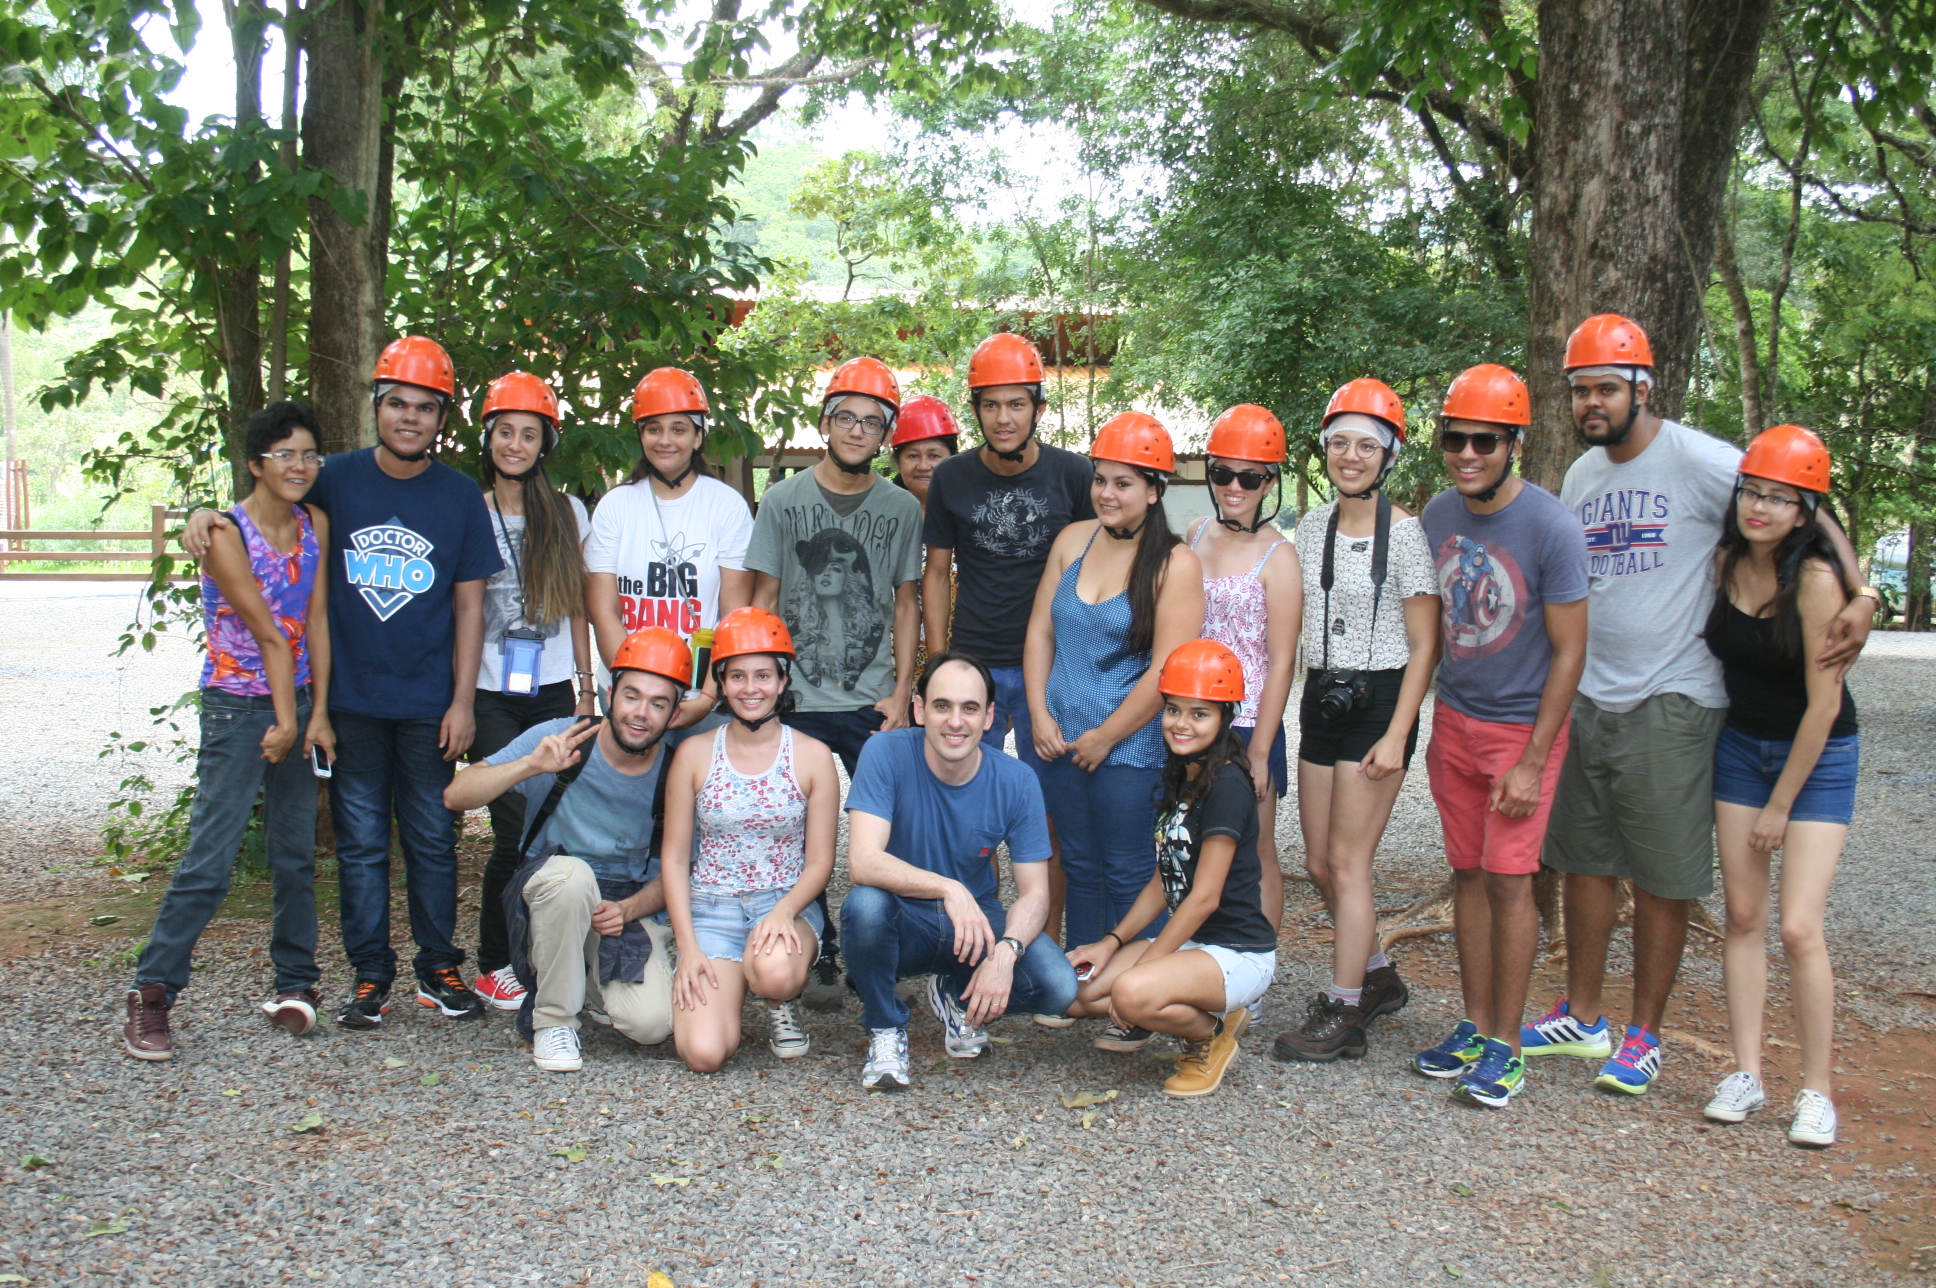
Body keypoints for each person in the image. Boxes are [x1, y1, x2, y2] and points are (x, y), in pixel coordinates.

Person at [1529, 315, 1875, 1096]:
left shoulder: (1698, 460)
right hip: (1592, 694)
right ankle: (1583, 1017)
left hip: (1674, 696)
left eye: (1607, 388)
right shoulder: (1582, 475)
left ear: (1643, 388)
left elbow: (1804, 503)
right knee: (1585, 862)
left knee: (1662, 874)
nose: (1592, 402)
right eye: (1580, 390)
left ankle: (1644, 1035)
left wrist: (1863, 590)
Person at [181, 336, 503, 1029]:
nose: (410, 418)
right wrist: (206, 517)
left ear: (441, 418)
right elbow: (268, 502)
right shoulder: (336, 478)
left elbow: (471, 607)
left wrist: (462, 701)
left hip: (428, 702)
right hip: (351, 700)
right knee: (360, 843)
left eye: (425, 408)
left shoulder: (458, 497)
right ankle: (370, 974)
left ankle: (438, 966)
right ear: (377, 407)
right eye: (398, 404)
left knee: (432, 838)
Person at [124, 403, 335, 1060]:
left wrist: (316, 713)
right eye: (284, 455)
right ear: (255, 463)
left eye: (309, 455)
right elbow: (268, 633)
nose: (299, 466)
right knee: (211, 860)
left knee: (295, 855)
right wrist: (283, 721)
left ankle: (295, 983)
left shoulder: (315, 524)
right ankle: (151, 993)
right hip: (237, 708)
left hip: (297, 701)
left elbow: (316, 620)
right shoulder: (222, 533)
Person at [1409, 365, 1588, 1108]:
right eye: (1455, 439)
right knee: (1468, 876)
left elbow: (1571, 652)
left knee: (1511, 882)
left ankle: (1508, 1048)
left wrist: (1534, 760)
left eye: (1485, 440)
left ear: (1514, 443)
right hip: (1456, 719)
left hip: (1520, 732)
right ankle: (1478, 1025)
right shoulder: (1438, 515)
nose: (1467, 453)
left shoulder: (1551, 527)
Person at [1700, 425, 1859, 1148]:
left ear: (1805, 513)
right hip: (1741, 748)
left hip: (1817, 758)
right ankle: (1746, 1072)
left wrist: (1780, 806)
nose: (1759, 508)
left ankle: (1817, 1090)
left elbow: (1824, 707)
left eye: (1779, 499)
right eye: (1752, 493)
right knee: (1742, 916)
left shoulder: (1817, 581)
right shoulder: (1728, 559)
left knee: (1797, 927)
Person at [1272, 378, 1440, 1063]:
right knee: (1317, 861)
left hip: (1380, 699)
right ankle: (1376, 977)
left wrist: (1399, 734)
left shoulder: (1407, 535)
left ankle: (1344, 1012)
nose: (1350, 456)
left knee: (1348, 862)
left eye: (1366, 446)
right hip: (1323, 695)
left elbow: (1426, 644)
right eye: (1339, 443)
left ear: (1389, 455)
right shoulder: (1313, 527)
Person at [747, 357, 923, 1007]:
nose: (856, 430)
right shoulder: (782, 501)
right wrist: (762, 686)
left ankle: (882, 948)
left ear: (886, 434)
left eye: (871, 421)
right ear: (824, 424)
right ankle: (813, 944)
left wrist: (902, 692)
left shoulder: (901, 508)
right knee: (793, 828)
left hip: (871, 696)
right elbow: (764, 597)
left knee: (889, 827)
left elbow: (906, 603)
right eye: (845, 417)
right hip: (796, 695)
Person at [443, 628, 690, 1072]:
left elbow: (679, 869)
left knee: (652, 1025)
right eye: (631, 696)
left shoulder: (677, 768)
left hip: (622, 904)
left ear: (674, 714)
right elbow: (457, 795)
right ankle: (554, 1021)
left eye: (658, 704)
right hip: (553, 888)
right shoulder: (564, 737)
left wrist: (631, 908)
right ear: (610, 695)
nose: (641, 713)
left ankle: (589, 984)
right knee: (573, 879)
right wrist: (528, 766)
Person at [840, 653, 1081, 1090]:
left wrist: (1006, 954)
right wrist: (949, 888)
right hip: (903, 920)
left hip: (975, 931)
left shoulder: (1017, 780)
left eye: (970, 708)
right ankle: (885, 1026)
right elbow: (863, 861)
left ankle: (954, 994)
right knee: (865, 907)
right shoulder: (885, 751)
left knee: (1058, 987)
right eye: (942, 706)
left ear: (989, 717)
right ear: (919, 710)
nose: (956, 722)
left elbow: (1035, 894)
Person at [1025, 411, 1204, 959]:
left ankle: (1134, 991)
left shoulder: (1175, 564)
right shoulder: (1072, 541)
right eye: (1100, 480)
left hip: (1130, 748)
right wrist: (1039, 716)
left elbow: (1167, 670)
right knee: (1079, 864)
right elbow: (1040, 633)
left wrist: (1106, 736)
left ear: (1154, 490)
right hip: (1059, 740)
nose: (1106, 493)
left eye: (1123, 483)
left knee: (1127, 867)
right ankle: (1082, 983)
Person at [1065, 640, 1279, 1097]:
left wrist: (1146, 965)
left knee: (1130, 994)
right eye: (1174, 710)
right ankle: (1214, 1012)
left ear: (1225, 717)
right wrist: (1111, 942)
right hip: (1194, 946)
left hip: (1237, 953)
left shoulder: (1227, 785)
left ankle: (1209, 1038)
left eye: (1200, 714)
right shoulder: (1186, 773)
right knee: (1081, 993)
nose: (1182, 724)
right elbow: (1166, 879)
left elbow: (1203, 898)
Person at [659, 608, 840, 1072]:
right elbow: (675, 859)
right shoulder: (694, 753)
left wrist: (783, 911)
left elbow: (821, 861)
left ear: (783, 681)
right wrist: (688, 947)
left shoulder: (813, 756)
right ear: (720, 682)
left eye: (763, 675)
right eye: (737, 676)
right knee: (703, 1054)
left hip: (782, 903)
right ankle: (730, 986)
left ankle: (777, 1000)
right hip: (712, 908)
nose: (750, 688)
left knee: (775, 973)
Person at [466, 371, 596, 1014]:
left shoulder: (566, 512)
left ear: (546, 443)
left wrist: (587, 689)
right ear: (488, 438)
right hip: (490, 690)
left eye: (528, 434)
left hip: (551, 689)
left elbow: (578, 606)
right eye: (505, 432)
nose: (515, 445)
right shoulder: (469, 508)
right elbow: (461, 609)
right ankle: (493, 963)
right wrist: (458, 701)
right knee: (513, 821)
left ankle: (545, 954)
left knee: (553, 822)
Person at [585, 366, 754, 729]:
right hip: (626, 689)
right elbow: (603, 611)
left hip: (700, 691)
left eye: (678, 429)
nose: (665, 440)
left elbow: (733, 615)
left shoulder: (726, 506)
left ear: (698, 436)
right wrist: (634, 692)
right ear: (640, 435)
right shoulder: (615, 506)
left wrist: (708, 695)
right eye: (654, 429)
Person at [1187, 404, 1302, 935]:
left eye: (1249, 477)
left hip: (1249, 718)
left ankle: (1258, 959)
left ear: (1269, 482)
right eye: (1222, 473)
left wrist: (1259, 752)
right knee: (1192, 835)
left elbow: (1282, 661)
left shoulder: (1279, 556)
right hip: (1189, 710)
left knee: (1255, 845)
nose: (1234, 487)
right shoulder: (1194, 533)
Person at [890, 394, 959, 509]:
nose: (923, 467)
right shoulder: (882, 510)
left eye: (933, 456)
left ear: (954, 458)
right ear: (898, 462)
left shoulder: (975, 506)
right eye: (913, 456)